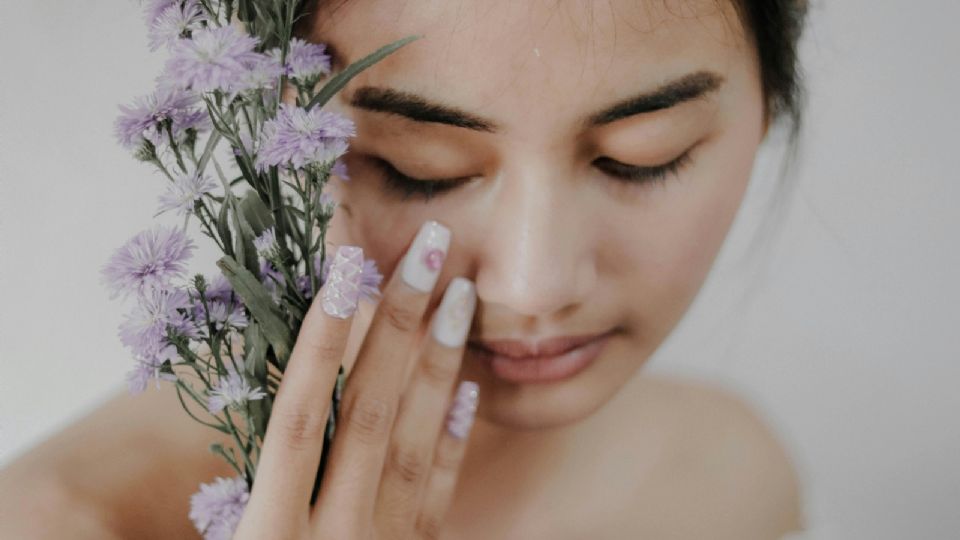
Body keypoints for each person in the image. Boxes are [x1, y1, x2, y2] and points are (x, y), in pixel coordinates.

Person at [0, 0, 809, 538]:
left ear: (769, 102)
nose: (535, 284)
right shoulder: (64, 522)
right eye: (423, 168)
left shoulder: (725, 473)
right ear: (272, 128)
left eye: (642, 158)